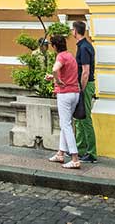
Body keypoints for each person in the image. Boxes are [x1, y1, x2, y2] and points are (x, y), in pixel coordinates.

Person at [44, 34, 81, 169]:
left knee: (66, 125)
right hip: (75, 92)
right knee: (66, 123)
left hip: (64, 94)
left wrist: (57, 80)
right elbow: (65, 72)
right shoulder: (70, 55)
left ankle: (75, 158)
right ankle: (60, 153)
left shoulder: (60, 56)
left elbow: (55, 69)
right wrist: (53, 77)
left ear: (54, 46)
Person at [72, 21, 97, 162]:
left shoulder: (84, 48)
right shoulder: (84, 46)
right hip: (84, 85)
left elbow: (86, 71)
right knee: (79, 119)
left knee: (86, 118)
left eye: (72, 30)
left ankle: (92, 152)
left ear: (75, 31)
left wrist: (81, 88)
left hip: (85, 85)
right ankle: (80, 148)